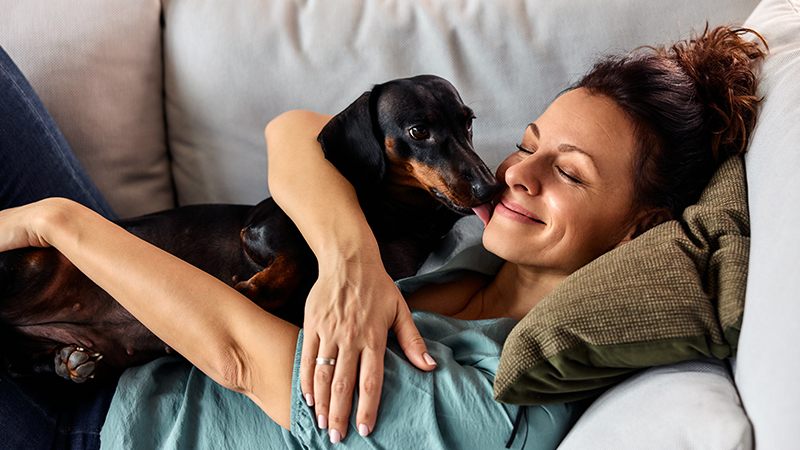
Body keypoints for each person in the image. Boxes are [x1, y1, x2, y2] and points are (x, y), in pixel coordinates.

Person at [0, 25, 764, 449]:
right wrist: (349, 259)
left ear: (640, 232)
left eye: (570, 172)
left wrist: (56, 223)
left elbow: (236, 356)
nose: (515, 176)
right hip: (122, 330)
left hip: (94, 425)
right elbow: (298, 132)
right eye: (528, 143)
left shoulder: (492, 399)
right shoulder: (474, 250)